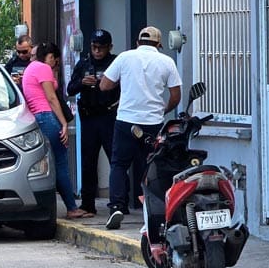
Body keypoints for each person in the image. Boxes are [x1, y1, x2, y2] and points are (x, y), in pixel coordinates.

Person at [99, 26, 181, 230]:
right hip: (152, 124)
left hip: (126, 121)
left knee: (118, 165)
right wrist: (163, 109)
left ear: (137, 42)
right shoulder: (166, 62)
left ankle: (117, 206)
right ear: (159, 44)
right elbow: (176, 96)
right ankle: (152, 213)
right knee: (152, 167)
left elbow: (104, 85)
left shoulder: (125, 58)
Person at [22, 42, 91, 219]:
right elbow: (52, 98)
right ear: (50, 57)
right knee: (60, 161)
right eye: (55, 59)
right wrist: (64, 123)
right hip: (46, 116)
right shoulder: (43, 68)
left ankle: (66, 205)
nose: (55, 63)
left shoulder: (30, 68)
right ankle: (71, 207)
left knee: (49, 161)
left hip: (37, 118)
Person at [66, 29, 120, 215]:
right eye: (94, 47)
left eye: (101, 48)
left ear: (109, 47)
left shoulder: (115, 63)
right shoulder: (84, 64)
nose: (97, 51)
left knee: (116, 160)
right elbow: (70, 89)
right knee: (88, 161)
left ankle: (118, 203)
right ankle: (88, 203)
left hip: (108, 116)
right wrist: (82, 82)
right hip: (88, 117)